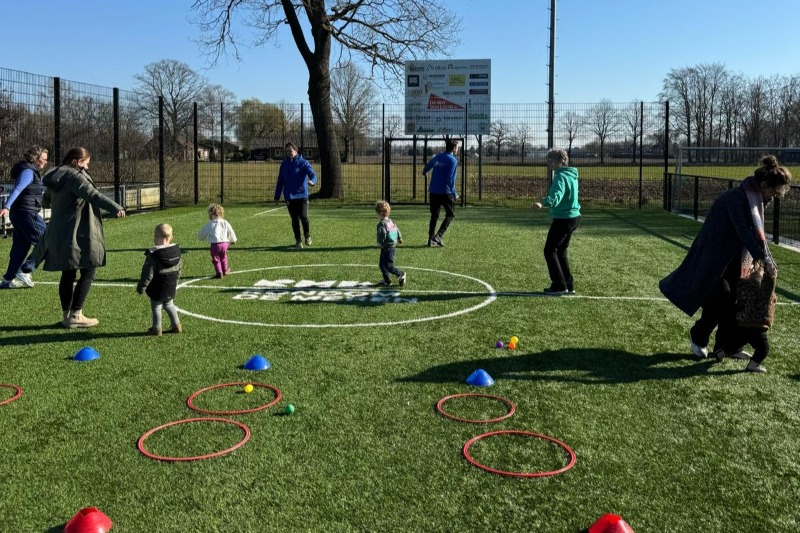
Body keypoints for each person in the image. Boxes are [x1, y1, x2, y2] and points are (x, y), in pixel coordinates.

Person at [659, 155, 791, 359]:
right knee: (720, 299)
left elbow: (754, 234)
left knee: (733, 303)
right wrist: (762, 258)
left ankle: (726, 347)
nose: (774, 196)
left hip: (734, 259)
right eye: (774, 191)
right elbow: (743, 231)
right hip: (713, 258)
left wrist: (764, 258)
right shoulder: (735, 198)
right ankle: (699, 336)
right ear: (764, 184)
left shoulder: (755, 199)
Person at [34, 147, 126, 328]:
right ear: (76, 161)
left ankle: (66, 316)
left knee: (68, 273)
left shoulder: (57, 176)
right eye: (86, 163)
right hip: (76, 231)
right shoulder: (75, 177)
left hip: (59, 231)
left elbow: (45, 201)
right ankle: (76, 314)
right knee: (89, 269)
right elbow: (93, 195)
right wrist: (116, 207)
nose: (87, 167)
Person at [533, 149, 581, 295]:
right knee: (560, 251)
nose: (549, 162)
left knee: (549, 250)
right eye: (548, 159)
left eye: (552, 160)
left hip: (564, 219)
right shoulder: (571, 175)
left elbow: (557, 196)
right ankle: (568, 285)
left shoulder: (560, 177)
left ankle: (559, 285)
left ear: (561, 161)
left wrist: (543, 202)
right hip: (573, 218)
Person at [713, 262, 776, 373]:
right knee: (763, 349)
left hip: (742, 323)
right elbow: (769, 284)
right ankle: (753, 365)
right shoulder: (763, 293)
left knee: (736, 343)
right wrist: (771, 273)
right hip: (757, 325)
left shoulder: (743, 287)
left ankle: (722, 352)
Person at [0, 146, 49, 289]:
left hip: (21, 214)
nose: (46, 162)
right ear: (35, 158)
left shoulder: (31, 171)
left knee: (20, 247)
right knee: (48, 241)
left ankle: (7, 280)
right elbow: (18, 189)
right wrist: (6, 206)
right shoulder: (28, 171)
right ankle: (25, 270)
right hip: (26, 214)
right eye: (44, 159)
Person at [137, 223, 182, 336]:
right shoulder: (176, 253)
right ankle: (176, 325)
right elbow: (179, 270)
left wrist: (141, 287)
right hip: (170, 284)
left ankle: (157, 328)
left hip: (157, 286)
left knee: (156, 307)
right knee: (169, 305)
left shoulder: (154, 255)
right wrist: (175, 282)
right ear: (171, 237)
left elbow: (148, 273)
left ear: (156, 237)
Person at [274, 142, 317, 249]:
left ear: (296, 150)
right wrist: (277, 195)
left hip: (302, 195)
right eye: (287, 151)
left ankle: (307, 235)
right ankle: (298, 240)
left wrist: (313, 181)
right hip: (289, 196)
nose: (289, 153)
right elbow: (280, 180)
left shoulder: (303, 163)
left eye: (290, 150)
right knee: (294, 219)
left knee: (303, 216)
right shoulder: (284, 164)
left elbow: (312, 174)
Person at [423, 139, 460, 247]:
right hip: (445, 192)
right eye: (457, 147)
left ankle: (430, 239)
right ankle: (438, 236)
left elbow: (428, 166)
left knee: (434, 216)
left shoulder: (438, 157)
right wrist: (454, 192)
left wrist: (424, 172)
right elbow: (450, 179)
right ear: (454, 148)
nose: (458, 149)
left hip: (433, 191)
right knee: (450, 214)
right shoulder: (453, 160)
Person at [198, 203, 237, 278]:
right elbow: (231, 231)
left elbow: (203, 233)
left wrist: (200, 237)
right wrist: (233, 240)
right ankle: (225, 270)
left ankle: (219, 272)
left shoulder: (210, 224)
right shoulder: (225, 222)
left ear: (211, 214)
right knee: (223, 257)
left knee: (216, 259)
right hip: (225, 244)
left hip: (215, 245)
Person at [374, 200, 406, 287]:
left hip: (387, 248)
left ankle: (401, 274)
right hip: (392, 247)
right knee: (382, 265)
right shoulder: (390, 221)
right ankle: (387, 280)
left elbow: (382, 234)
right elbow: (397, 229)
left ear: (379, 213)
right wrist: (399, 238)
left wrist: (380, 243)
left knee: (389, 266)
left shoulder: (381, 224)